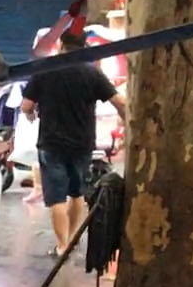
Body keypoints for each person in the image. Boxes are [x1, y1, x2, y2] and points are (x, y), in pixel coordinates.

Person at [22, 30, 126, 256]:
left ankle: (63, 245)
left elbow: (26, 106)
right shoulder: (92, 73)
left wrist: (31, 114)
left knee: (56, 197)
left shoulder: (45, 70)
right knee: (77, 193)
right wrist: (129, 126)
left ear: (61, 44)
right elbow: (120, 102)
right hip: (82, 143)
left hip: (51, 143)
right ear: (85, 47)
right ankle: (72, 239)